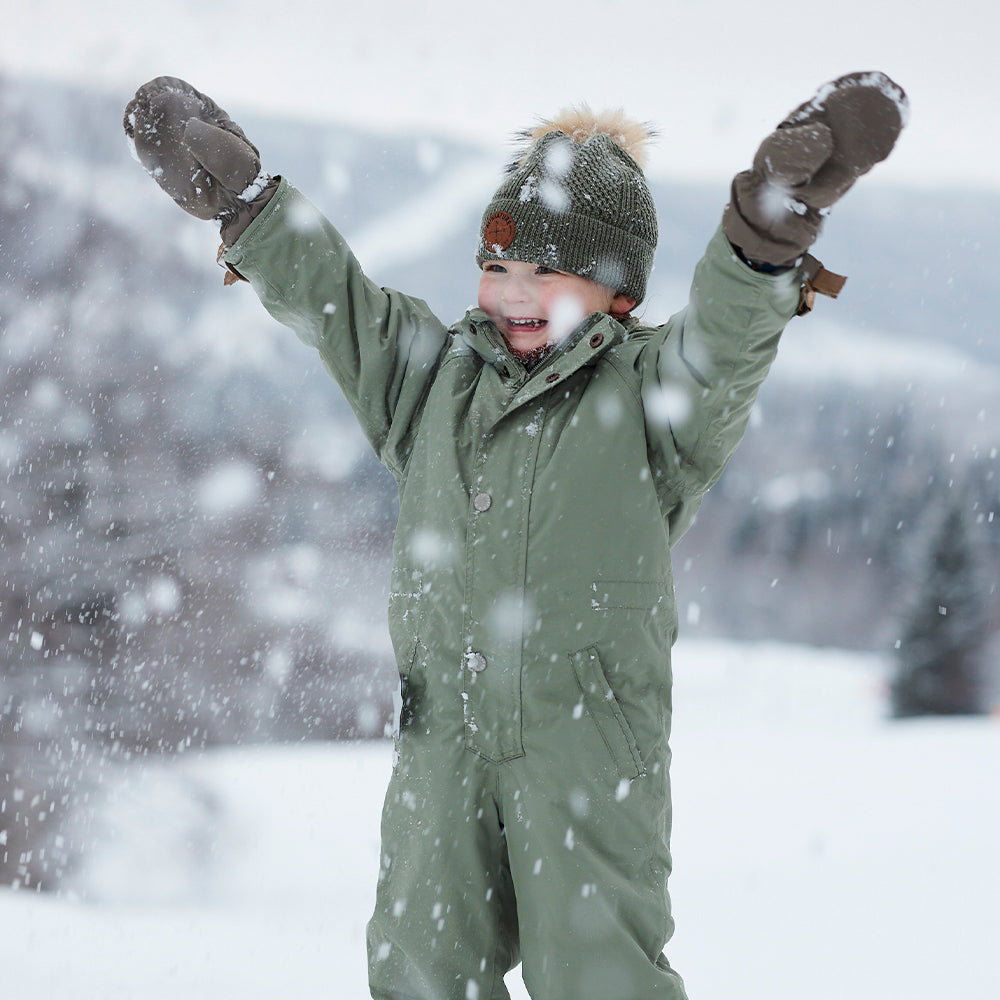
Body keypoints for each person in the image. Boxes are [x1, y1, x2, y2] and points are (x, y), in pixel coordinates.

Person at [124, 72, 907, 1000]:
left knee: (597, 968)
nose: (513, 292)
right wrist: (249, 209)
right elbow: (338, 302)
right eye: (497, 268)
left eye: (544, 271)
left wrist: (764, 233)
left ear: (615, 292)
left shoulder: (656, 401)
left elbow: (728, 339)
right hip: (441, 737)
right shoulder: (432, 381)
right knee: (421, 960)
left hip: (587, 742)